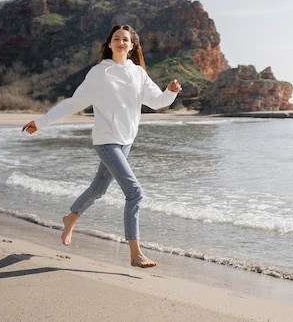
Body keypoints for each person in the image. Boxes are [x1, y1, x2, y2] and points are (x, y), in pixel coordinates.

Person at [22, 24, 181, 268]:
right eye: (116, 39)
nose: (120, 42)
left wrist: (170, 92)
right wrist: (41, 122)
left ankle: (70, 217)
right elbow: (73, 103)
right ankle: (135, 254)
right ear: (109, 44)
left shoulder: (138, 73)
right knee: (135, 192)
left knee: (98, 190)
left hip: (126, 141)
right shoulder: (99, 73)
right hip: (107, 141)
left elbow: (157, 101)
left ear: (132, 45)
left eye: (125, 39)